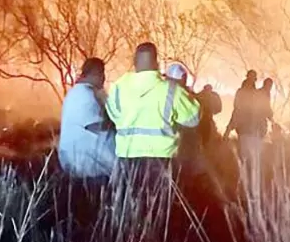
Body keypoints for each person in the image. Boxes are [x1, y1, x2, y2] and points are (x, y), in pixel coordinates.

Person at [105, 42, 201, 179]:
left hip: (127, 158)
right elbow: (193, 119)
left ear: (135, 62)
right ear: (155, 63)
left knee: (131, 198)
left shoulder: (118, 87)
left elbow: (113, 115)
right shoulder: (172, 90)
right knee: (158, 200)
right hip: (162, 160)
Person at [58, 58, 118, 180]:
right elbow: (97, 125)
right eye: (103, 73)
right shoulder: (87, 94)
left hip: (75, 163)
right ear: (98, 74)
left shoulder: (74, 93)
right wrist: (116, 122)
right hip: (91, 167)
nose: (104, 78)